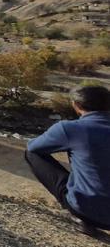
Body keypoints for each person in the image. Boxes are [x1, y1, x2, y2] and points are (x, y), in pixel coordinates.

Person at [25, 86, 110, 236]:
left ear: (76, 105)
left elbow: (33, 146)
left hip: (88, 211)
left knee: (31, 154)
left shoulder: (70, 128)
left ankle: (85, 221)